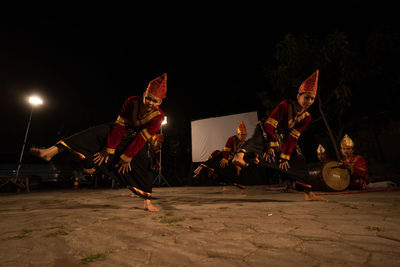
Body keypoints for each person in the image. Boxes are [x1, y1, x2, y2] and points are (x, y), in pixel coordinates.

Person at [30, 73, 167, 211]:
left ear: (160, 102)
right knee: (92, 133)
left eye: (155, 101)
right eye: (148, 98)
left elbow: (142, 138)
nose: (150, 103)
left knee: (145, 167)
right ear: (144, 94)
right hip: (119, 131)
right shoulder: (131, 102)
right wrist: (109, 147)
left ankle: (147, 203)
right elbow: (119, 126)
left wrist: (127, 156)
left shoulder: (158, 116)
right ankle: (49, 152)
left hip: (137, 139)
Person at [233, 70, 326, 201]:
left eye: (312, 99)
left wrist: (284, 156)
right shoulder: (285, 105)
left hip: (283, 138)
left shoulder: (307, 117)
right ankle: (240, 155)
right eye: (306, 97)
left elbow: (293, 137)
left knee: (299, 160)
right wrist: (271, 145)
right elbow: (270, 125)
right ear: (298, 96)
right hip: (268, 129)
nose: (309, 101)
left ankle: (308, 193)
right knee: (258, 141)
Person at [193, 121, 248, 189]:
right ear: (238, 134)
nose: (244, 136)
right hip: (224, 155)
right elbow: (226, 150)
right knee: (217, 159)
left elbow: (241, 154)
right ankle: (201, 167)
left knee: (229, 170)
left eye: (245, 135)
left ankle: (233, 182)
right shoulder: (231, 139)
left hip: (232, 158)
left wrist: (238, 164)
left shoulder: (245, 143)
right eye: (242, 134)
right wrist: (225, 158)